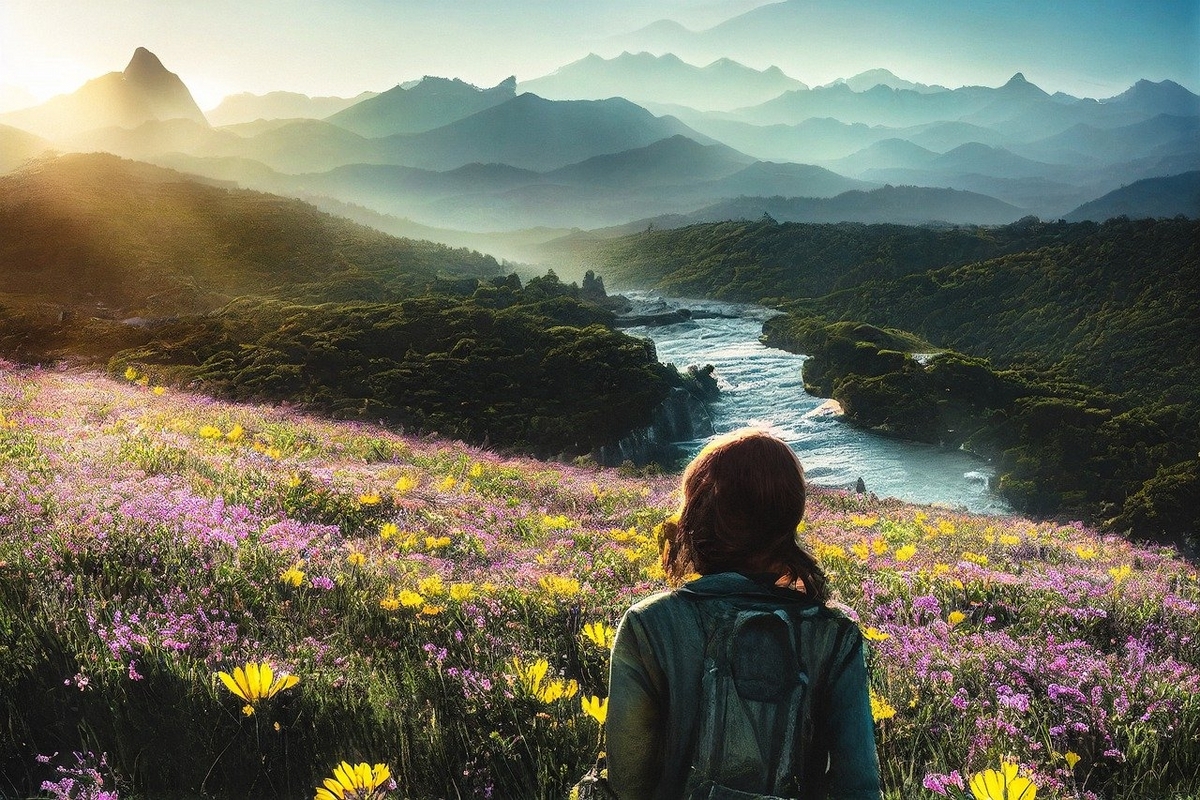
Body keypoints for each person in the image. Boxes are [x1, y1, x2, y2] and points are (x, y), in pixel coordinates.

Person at [606, 428, 882, 799]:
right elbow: (859, 788)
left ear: (699, 516)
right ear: (789, 520)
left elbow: (628, 784)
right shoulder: (835, 635)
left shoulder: (648, 625)